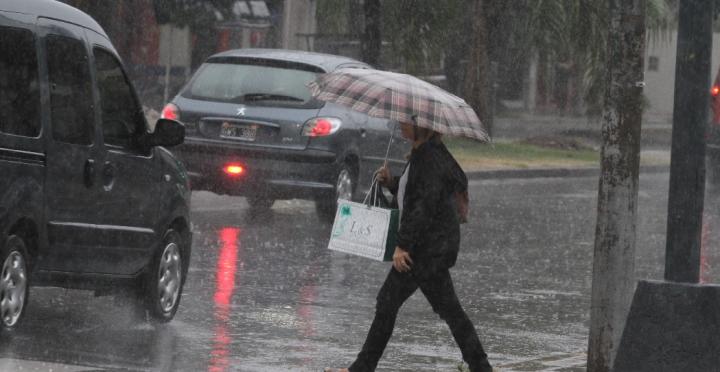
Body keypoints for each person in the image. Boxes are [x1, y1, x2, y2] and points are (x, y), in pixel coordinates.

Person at [325, 121, 493, 372]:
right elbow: (413, 194)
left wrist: (402, 246)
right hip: (432, 249)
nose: (401, 123)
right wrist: (392, 182)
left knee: (389, 303)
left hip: (425, 251)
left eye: (408, 121)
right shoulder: (423, 155)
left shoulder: (428, 159)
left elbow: (422, 207)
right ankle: (481, 367)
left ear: (422, 128)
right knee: (448, 310)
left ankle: (362, 368)